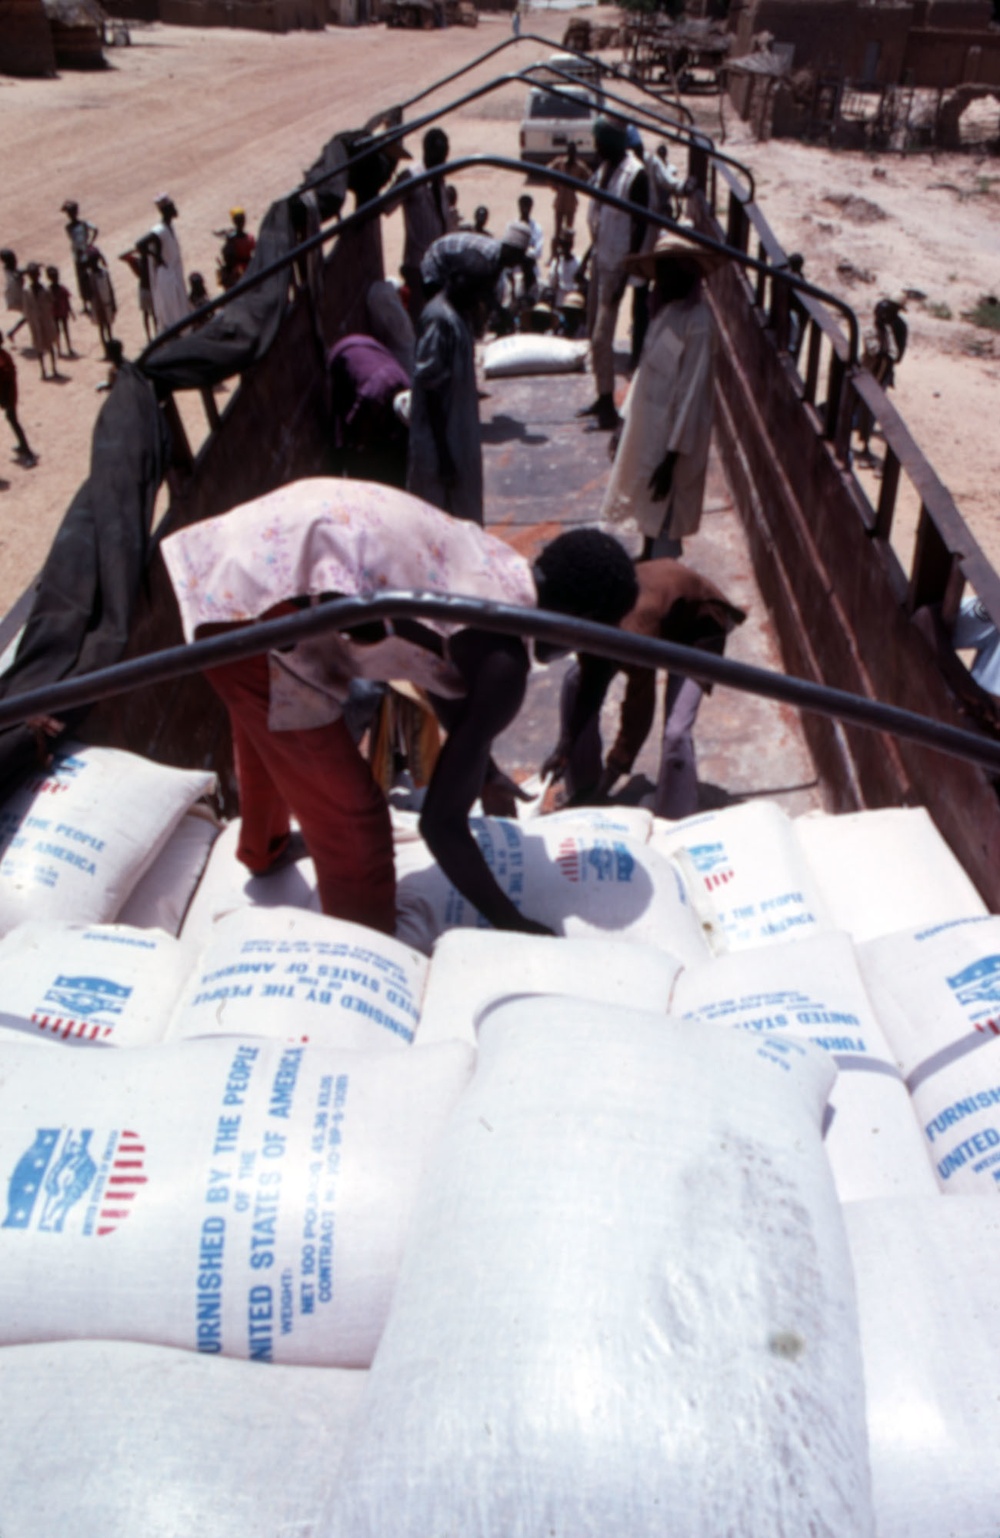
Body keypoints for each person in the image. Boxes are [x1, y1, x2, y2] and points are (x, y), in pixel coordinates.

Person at [160, 480, 638, 936]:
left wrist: (476, 760)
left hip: (244, 559)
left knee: (272, 727)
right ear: (585, 622)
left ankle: (264, 849)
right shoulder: (504, 666)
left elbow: (438, 666)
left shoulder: (496, 568)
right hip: (253, 611)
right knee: (355, 825)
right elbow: (440, 825)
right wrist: (512, 923)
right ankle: (364, 956)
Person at [544, 557, 745, 819]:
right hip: (663, 608)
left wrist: (611, 776)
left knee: (677, 731)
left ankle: (674, 816)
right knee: (574, 681)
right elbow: (590, 686)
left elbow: (638, 715)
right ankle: (583, 788)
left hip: (697, 626)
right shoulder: (592, 615)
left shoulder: (634, 635)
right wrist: (565, 746)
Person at [601, 230, 728, 559]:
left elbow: (691, 395)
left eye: (670, 271)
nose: (663, 279)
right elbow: (646, 371)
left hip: (673, 437)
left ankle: (665, 575)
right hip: (649, 426)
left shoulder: (698, 324)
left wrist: (672, 457)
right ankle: (646, 554)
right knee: (648, 503)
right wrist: (624, 423)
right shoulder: (666, 313)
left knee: (667, 510)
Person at [407, 254, 496, 524]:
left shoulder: (459, 316)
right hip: (440, 443)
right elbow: (431, 390)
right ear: (458, 283)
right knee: (438, 519)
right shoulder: (439, 320)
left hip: (457, 435)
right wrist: (444, 456)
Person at [579, 117, 649, 431]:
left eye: (598, 143)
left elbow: (640, 227)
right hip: (599, 259)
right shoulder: (605, 169)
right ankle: (602, 395)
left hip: (616, 268)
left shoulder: (636, 175)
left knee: (601, 338)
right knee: (593, 332)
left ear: (610, 143)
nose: (595, 149)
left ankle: (608, 409)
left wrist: (626, 275)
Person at [327, 333, 411, 486]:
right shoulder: (372, 397)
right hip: (345, 352)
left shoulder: (407, 387)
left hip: (370, 347)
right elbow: (352, 427)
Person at [392, 126, 450, 323]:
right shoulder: (412, 177)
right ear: (426, 152)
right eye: (437, 156)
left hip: (439, 264)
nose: (441, 161)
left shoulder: (440, 178)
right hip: (417, 263)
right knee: (418, 319)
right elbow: (386, 205)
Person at [149, 193, 190, 334]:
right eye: (172, 207)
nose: (175, 209)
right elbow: (141, 244)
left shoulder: (169, 228)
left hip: (174, 274)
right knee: (171, 312)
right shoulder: (159, 230)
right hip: (167, 277)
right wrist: (158, 257)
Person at [0, 337, 37, 467]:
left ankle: (27, 451)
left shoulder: (2, 359)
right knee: (12, 419)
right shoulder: (4, 355)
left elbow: (5, 378)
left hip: (7, 395)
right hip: (8, 395)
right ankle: (23, 446)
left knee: (12, 419)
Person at [21, 263, 59, 381]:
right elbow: (26, 308)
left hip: (46, 321)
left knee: (50, 346)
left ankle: (54, 368)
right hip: (35, 323)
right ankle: (43, 370)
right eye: (32, 275)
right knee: (39, 347)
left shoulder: (45, 289)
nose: (34, 277)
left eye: (35, 274)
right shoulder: (26, 291)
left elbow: (52, 302)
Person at [549, 142, 590, 249]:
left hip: (571, 203)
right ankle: (554, 255)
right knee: (557, 231)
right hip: (560, 201)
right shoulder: (560, 163)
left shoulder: (580, 166)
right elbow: (547, 170)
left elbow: (590, 177)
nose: (571, 154)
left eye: (573, 152)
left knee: (569, 232)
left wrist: (581, 186)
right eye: (570, 152)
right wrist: (554, 185)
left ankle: (567, 253)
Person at [61, 199, 98, 315]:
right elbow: (95, 230)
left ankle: (87, 304)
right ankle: (89, 303)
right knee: (86, 278)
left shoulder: (69, 227)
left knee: (83, 279)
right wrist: (89, 243)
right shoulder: (83, 224)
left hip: (79, 254)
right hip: (83, 253)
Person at [119, 235, 158, 343]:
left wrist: (135, 251)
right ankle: (152, 336)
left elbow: (122, 257)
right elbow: (121, 257)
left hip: (145, 289)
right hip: (149, 289)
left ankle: (151, 336)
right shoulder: (146, 260)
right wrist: (136, 250)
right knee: (151, 314)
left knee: (148, 314)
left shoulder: (141, 261)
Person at [215, 207, 256, 291]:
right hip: (249, 269)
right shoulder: (250, 238)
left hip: (236, 272)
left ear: (233, 222)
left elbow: (226, 254)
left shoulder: (231, 240)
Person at [85, 247, 116, 349]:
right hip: (98, 306)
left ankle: (110, 347)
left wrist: (113, 303)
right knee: (102, 327)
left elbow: (110, 288)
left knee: (107, 326)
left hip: (106, 303)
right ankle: (106, 349)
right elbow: (89, 293)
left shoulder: (104, 274)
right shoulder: (90, 276)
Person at [45, 266, 75, 358]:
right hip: (55, 313)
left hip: (63, 312)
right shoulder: (48, 290)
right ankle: (59, 349)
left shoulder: (61, 289)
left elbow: (67, 301)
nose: (55, 279)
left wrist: (71, 312)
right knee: (57, 332)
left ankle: (68, 348)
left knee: (65, 330)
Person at [548, 230, 580, 308]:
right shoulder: (556, 263)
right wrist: (557, 263)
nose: (564, 247)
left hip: (573, 302)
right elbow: (552, 283)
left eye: (567, 244)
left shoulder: (578, 263)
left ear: (571, 245)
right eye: (563, 244)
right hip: (559, 302)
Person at [2, 250, 26, 342]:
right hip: (17, 296)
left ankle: (12, 332)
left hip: (17, 295)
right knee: (28, 315)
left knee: (28, 315)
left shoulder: (10, 269)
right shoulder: (10, 271)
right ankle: (12, 332)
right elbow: (18, 275)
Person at [517, 193, 545, 265]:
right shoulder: (512, 226)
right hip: (515, 268)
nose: (525, 209)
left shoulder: (537, 228)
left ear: (531, 207)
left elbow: (538, 252)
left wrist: (520, 252)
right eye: (523, 206)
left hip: (531, 268)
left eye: (527, 206)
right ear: (519, 206)